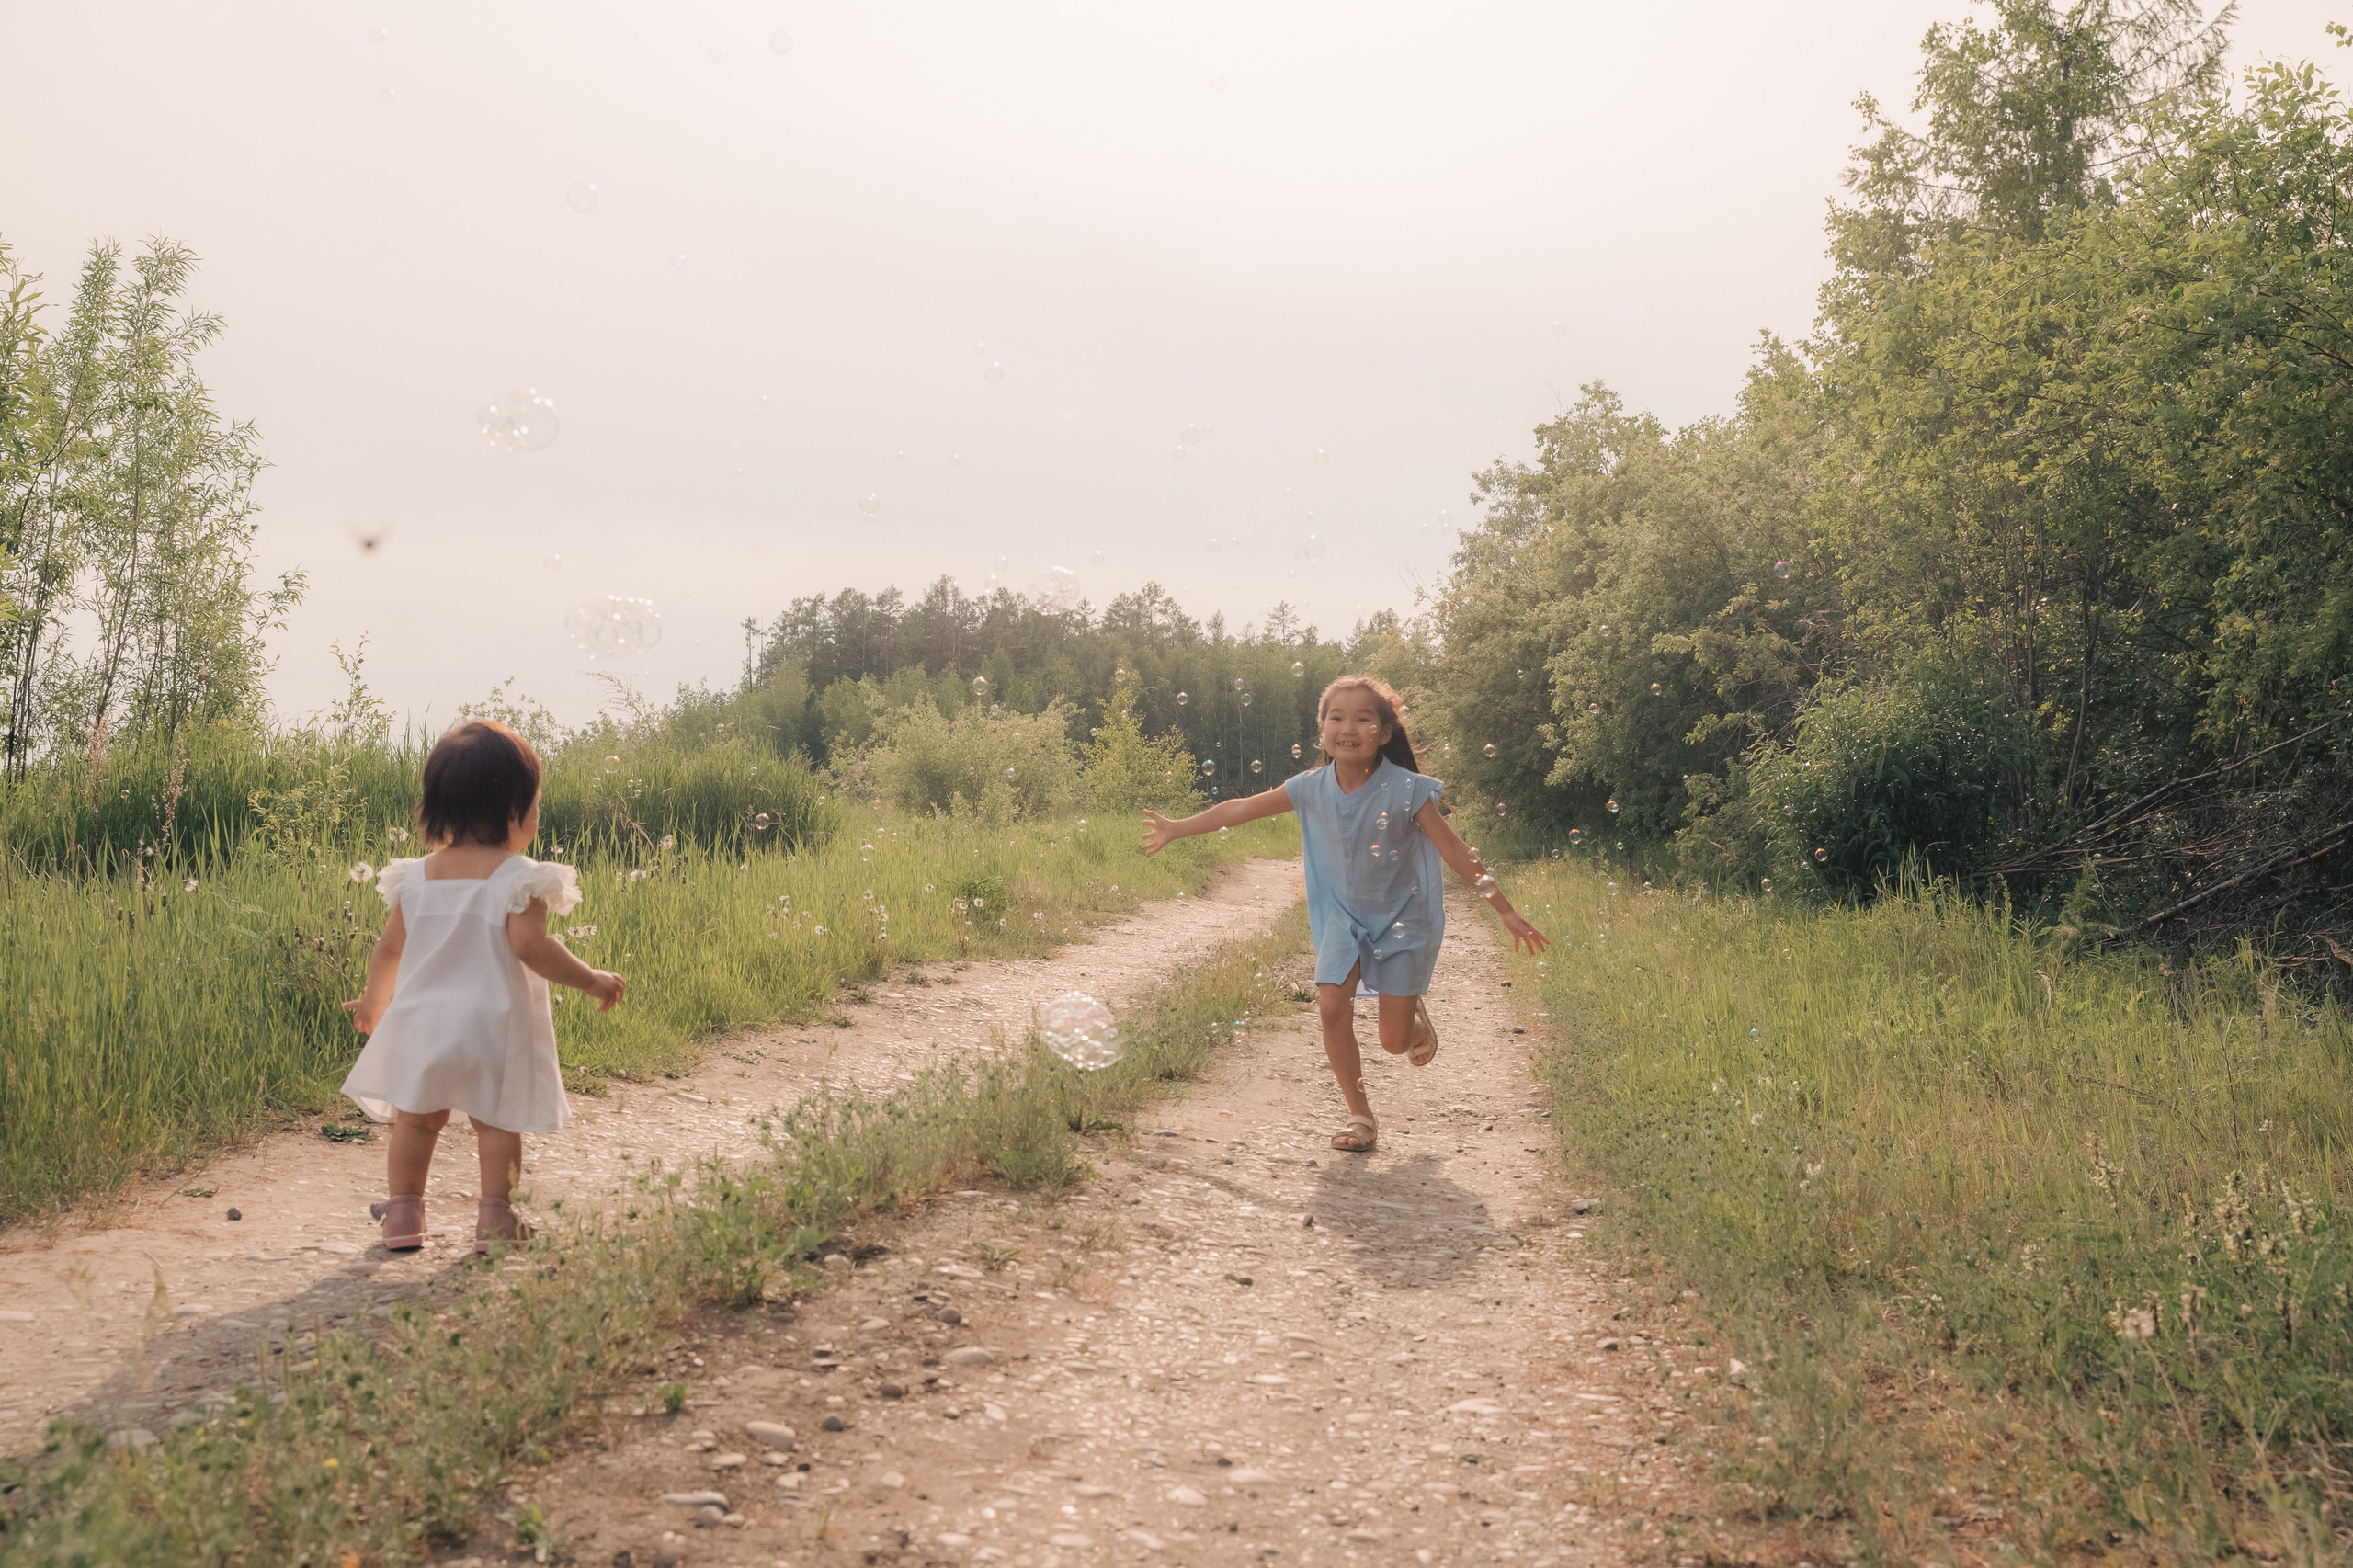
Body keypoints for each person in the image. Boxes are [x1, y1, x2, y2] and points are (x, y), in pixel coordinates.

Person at [1142, 676, 1547, 1151]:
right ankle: (1361, 1117)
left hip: (1401, 921)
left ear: (1383, 732)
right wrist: (1177, 827)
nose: (1347, 727)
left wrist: (1506, 911)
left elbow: (1456, 851)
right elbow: (1239, 808)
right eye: (1336, 717)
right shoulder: (1310, 787)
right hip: (1341, 919)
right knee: (1331, 1003)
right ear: (1321, 729)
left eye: (1362, 718)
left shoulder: (1408, 790)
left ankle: (1412, 1020)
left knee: (1393, 1043)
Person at [342, 720, 627, 1252]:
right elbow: (532, 948)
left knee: (417, 1122)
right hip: (492, 1026)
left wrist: (374, 1002)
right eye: (536, 808)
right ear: (514, 813)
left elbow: (389, 950)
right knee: (495, 1125)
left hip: (423, 1023)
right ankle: (495, 1220)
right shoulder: (518, 878)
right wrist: (591, 978)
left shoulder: (417, 878)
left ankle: (403, 1216)